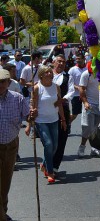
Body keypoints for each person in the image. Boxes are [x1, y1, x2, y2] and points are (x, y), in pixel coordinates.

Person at [0, 69, 34, 221]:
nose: (0, 85)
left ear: (8, 83)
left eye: (2, 82)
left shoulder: (17, 98)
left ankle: (3, 211)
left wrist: (32, 115)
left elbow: (28, 117)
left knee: (5, 184)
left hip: (11, 146)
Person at [31, 65, 67, 184]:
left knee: (55, 146)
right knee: (48, 144)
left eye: (50, 72)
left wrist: (63, 119)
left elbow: (59, 104)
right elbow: (34, 106)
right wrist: (30, 122)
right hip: (41, 121)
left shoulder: (56, 87)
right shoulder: (37, 88)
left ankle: (45, 164)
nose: (49, 74)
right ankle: (50, 172)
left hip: (54, 119)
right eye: (46, 72)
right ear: (41, 75)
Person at [51, 55, 74, 173]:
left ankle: (54, 167)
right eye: (59, 61)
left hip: (63, 109)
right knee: (50, 141)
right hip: (48, 110)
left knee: (62, 139)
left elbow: (71, 91)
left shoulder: (68, 77)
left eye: (63, 62)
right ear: (53, 62)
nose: (61, 64)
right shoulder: (47, 75)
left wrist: (62, 100)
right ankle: (47, 162)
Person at [77, 62, 100, 158]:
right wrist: (85, 102)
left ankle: (94, 148)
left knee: (95, 128)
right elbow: (81, 89)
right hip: (89, 104)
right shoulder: (86, 74)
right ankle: (82, 147)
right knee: (87, 127)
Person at [67, 53, 86, 124]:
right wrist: (78, 87)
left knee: (88, 112)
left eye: (79, 59)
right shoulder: (72, 70)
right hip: (76, 95)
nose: (77, 61)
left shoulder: (87, 69)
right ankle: (67, 124)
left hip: (86, 95)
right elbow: (69, 82)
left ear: (84, 59)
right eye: (76, 59)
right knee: (75, 114)